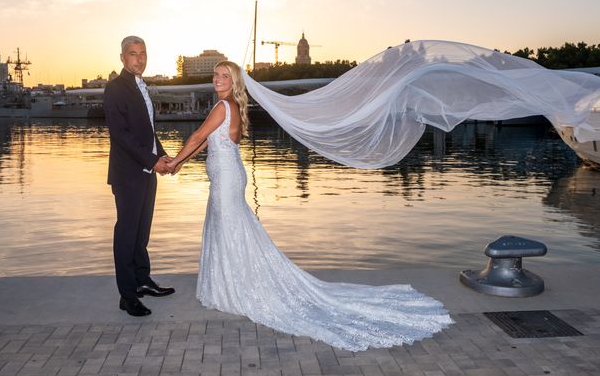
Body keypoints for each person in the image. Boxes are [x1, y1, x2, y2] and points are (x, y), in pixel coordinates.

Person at [168, 61, 452, 351]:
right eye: (216, 75)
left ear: (234, 81)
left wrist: (174, 161)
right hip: (227, 175)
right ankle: (230, 284)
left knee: (230, 229)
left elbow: (197, 137)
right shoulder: (230, 106)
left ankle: (238, 287)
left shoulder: (222, 108)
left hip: (227, 178)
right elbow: (205, 143)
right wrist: (182, 162)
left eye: (224, 76)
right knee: (230, 229)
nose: (218, 79)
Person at [103, 36, 176, 317]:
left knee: (141, 233)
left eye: (143, 53)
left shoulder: (141, 86)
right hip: (128, 174)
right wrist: (152, 161)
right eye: (133, 54)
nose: (139, 59)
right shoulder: (115, 89)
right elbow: (121, 136)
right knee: (126, 233)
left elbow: (146, 133)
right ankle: (127, 295)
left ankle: (143, 281)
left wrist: (165, 157)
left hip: (147, 171)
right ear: (122, 57)